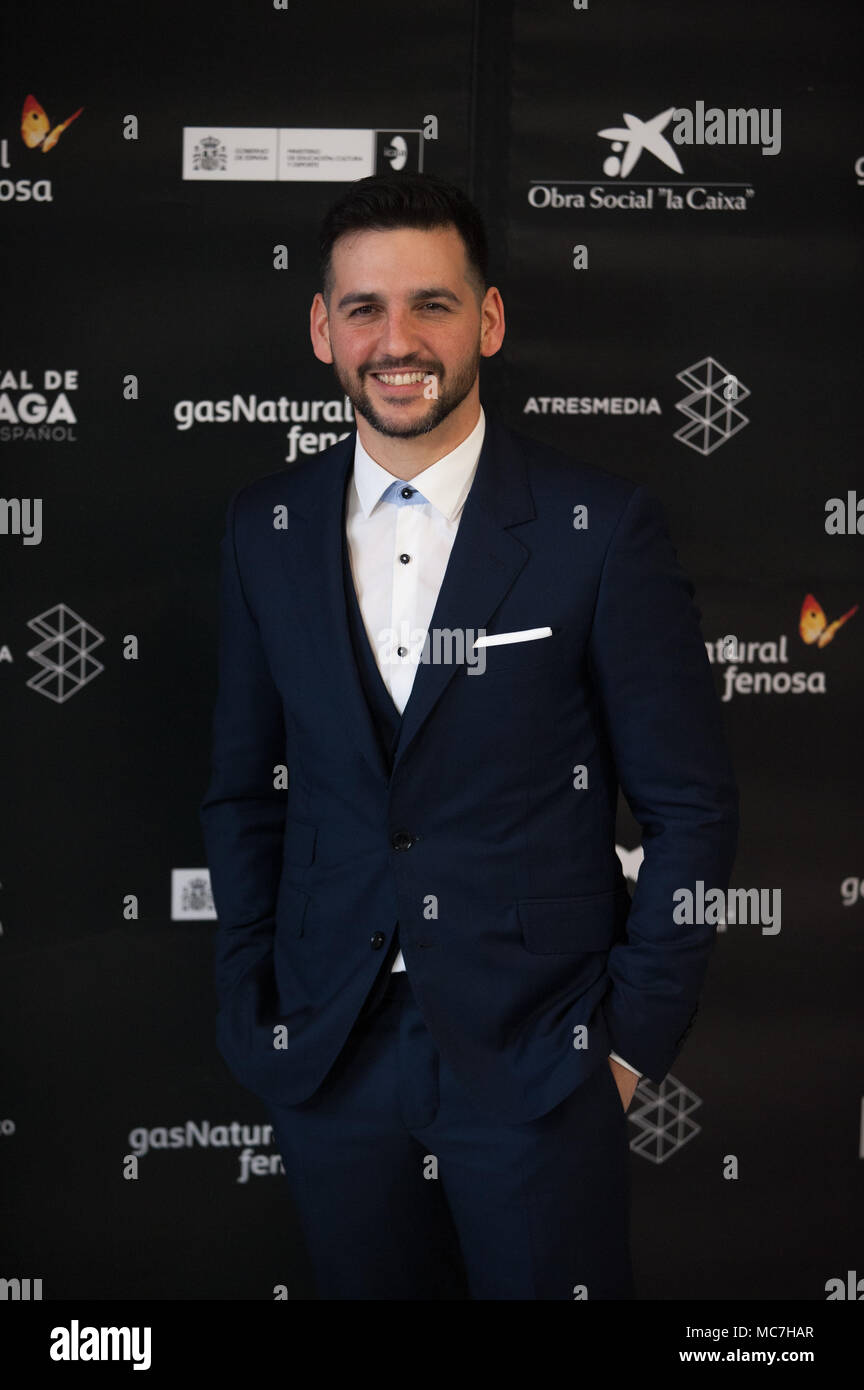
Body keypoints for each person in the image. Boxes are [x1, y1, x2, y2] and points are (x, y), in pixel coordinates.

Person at [199, 171, 739, 1300]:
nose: (398, 340)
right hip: (330, 1049)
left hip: (539, 1056)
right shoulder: (264, 526)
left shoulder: (598, 531)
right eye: (365, 309)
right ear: (322, 329)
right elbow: (244, 793)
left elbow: (690, 808)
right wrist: (256, 1004)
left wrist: (628, 1049)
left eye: (432, 304)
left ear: (487, 319)